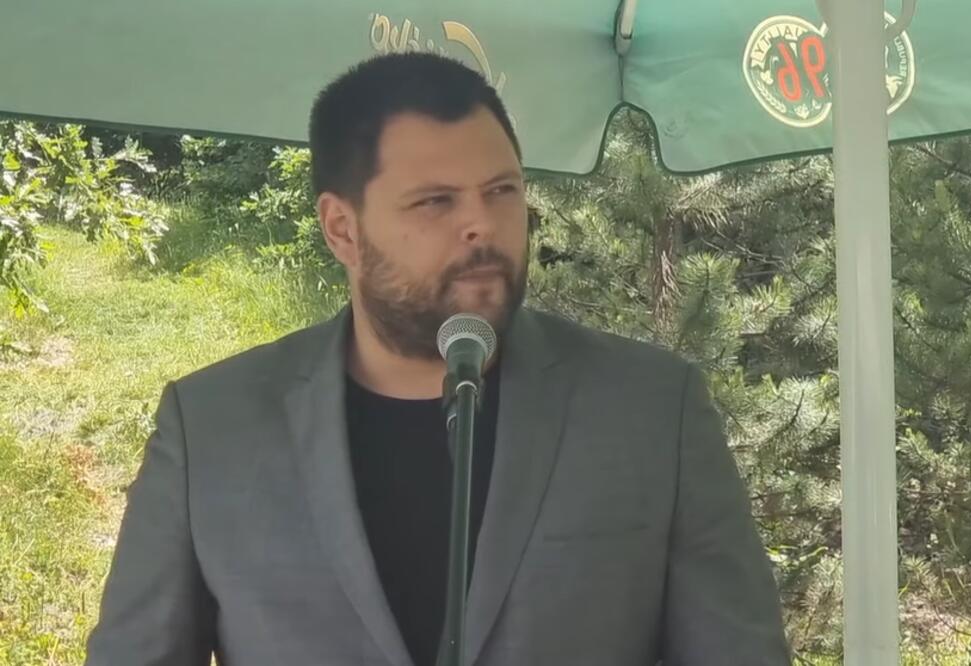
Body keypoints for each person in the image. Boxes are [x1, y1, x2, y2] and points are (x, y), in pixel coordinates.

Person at [85, 52, 791, 666]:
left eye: (502, 191)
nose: (481, 225)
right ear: (342, 229)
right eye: (434, 202)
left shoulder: (652, 411)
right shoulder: (212, 429)